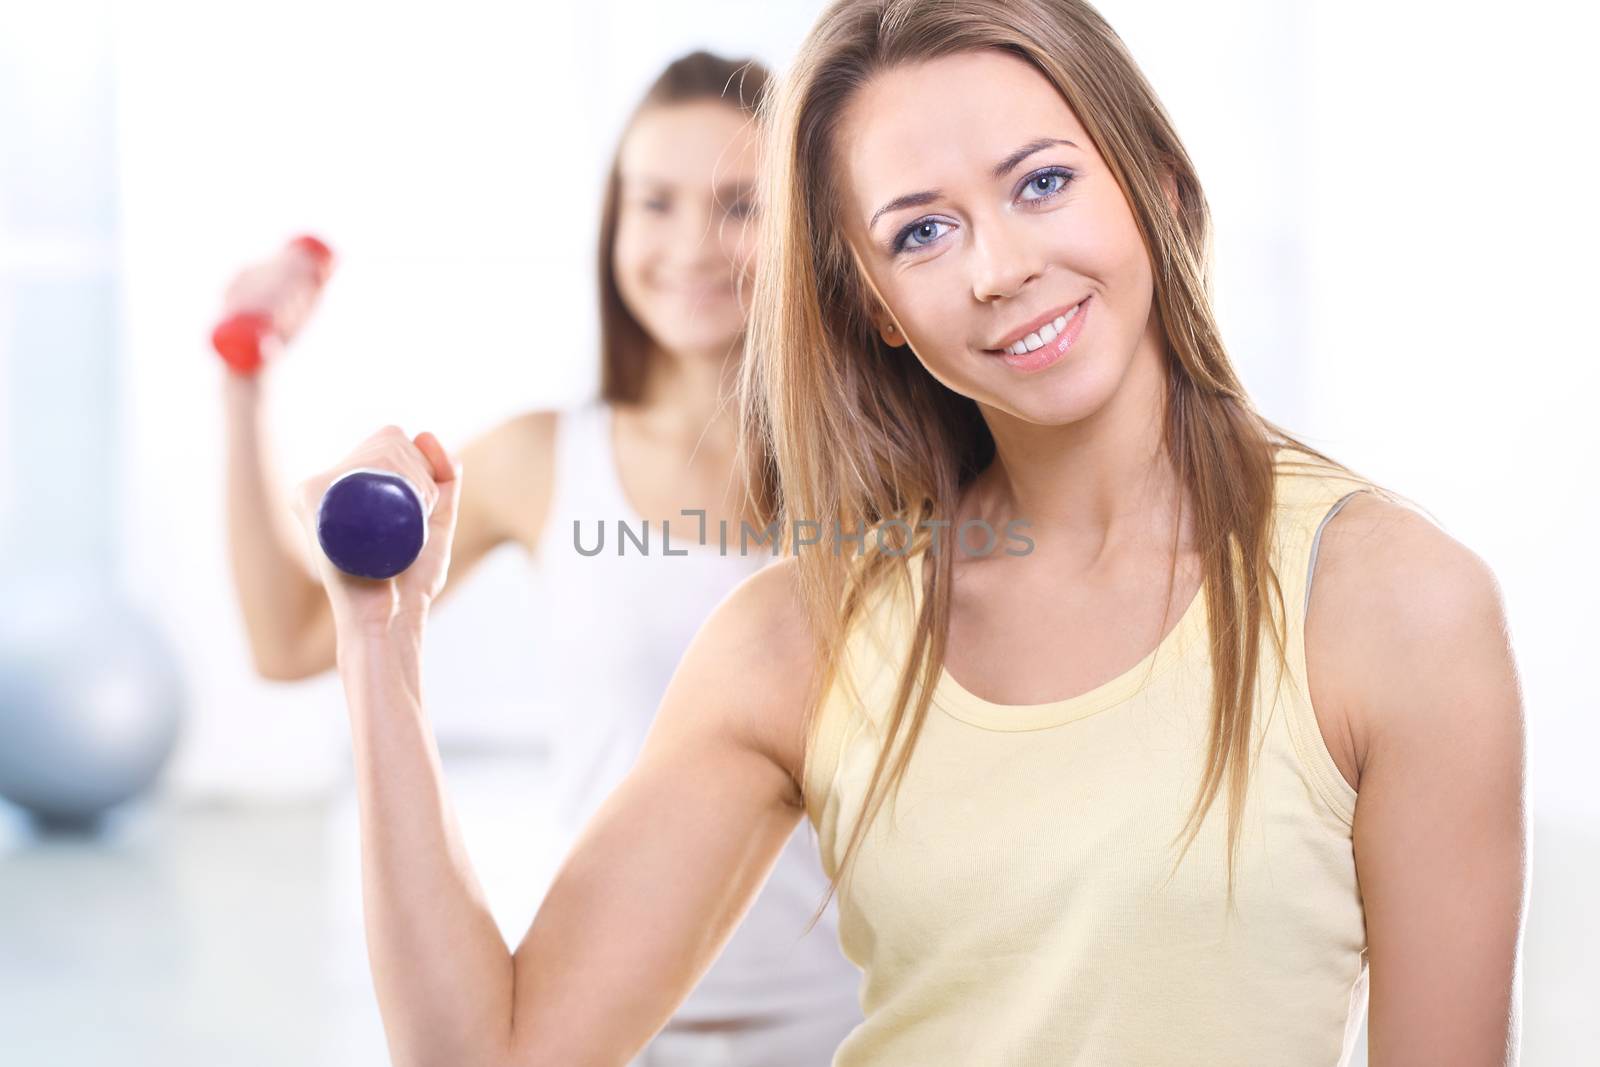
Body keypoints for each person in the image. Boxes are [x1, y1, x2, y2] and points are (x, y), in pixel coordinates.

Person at [287, 2, 1528, 1064]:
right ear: (875, 306)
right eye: (920, 231)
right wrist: (379, 646)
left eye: (1042, 181)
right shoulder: (799, 634)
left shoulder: (1392, 605)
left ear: (1155, 185)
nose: (998, 266)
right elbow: (496, 1048)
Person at [222, 51, 862, 1066]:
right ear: (614, 224)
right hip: (611, 1023)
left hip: (863, 1027)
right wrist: (244, 377)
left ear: (805, 230)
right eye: (654, 202)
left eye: (740, 204)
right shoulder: (539, 458)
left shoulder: (893, 475)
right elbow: (289, 640)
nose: (692, 242)